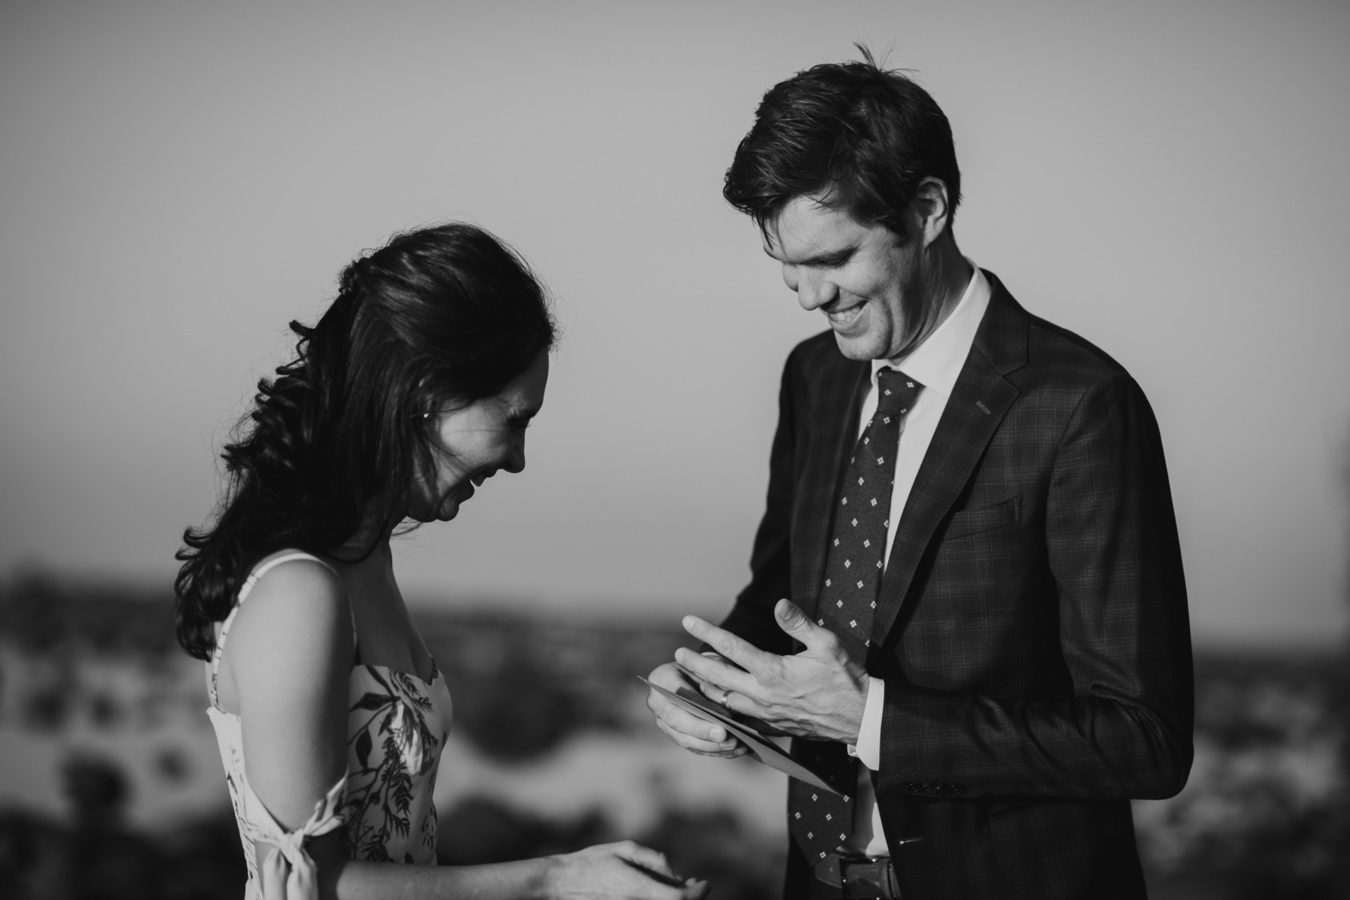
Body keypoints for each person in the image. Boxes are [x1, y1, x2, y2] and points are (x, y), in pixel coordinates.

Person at [645, 48, 1192, 900]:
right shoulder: (813, 377)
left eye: (834, 259)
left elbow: (1143, 739)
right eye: (787, 264)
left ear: (928, 210)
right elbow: (785, 597)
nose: (809, 296)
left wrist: (869, 719)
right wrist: (714, 684)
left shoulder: (1081, 405)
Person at [175, 223, 707, 900]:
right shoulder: (299, 592)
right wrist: (554, 881)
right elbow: (315, 887)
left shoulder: (366, 565)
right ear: (427, 393)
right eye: (514, 419)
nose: (517, 458)